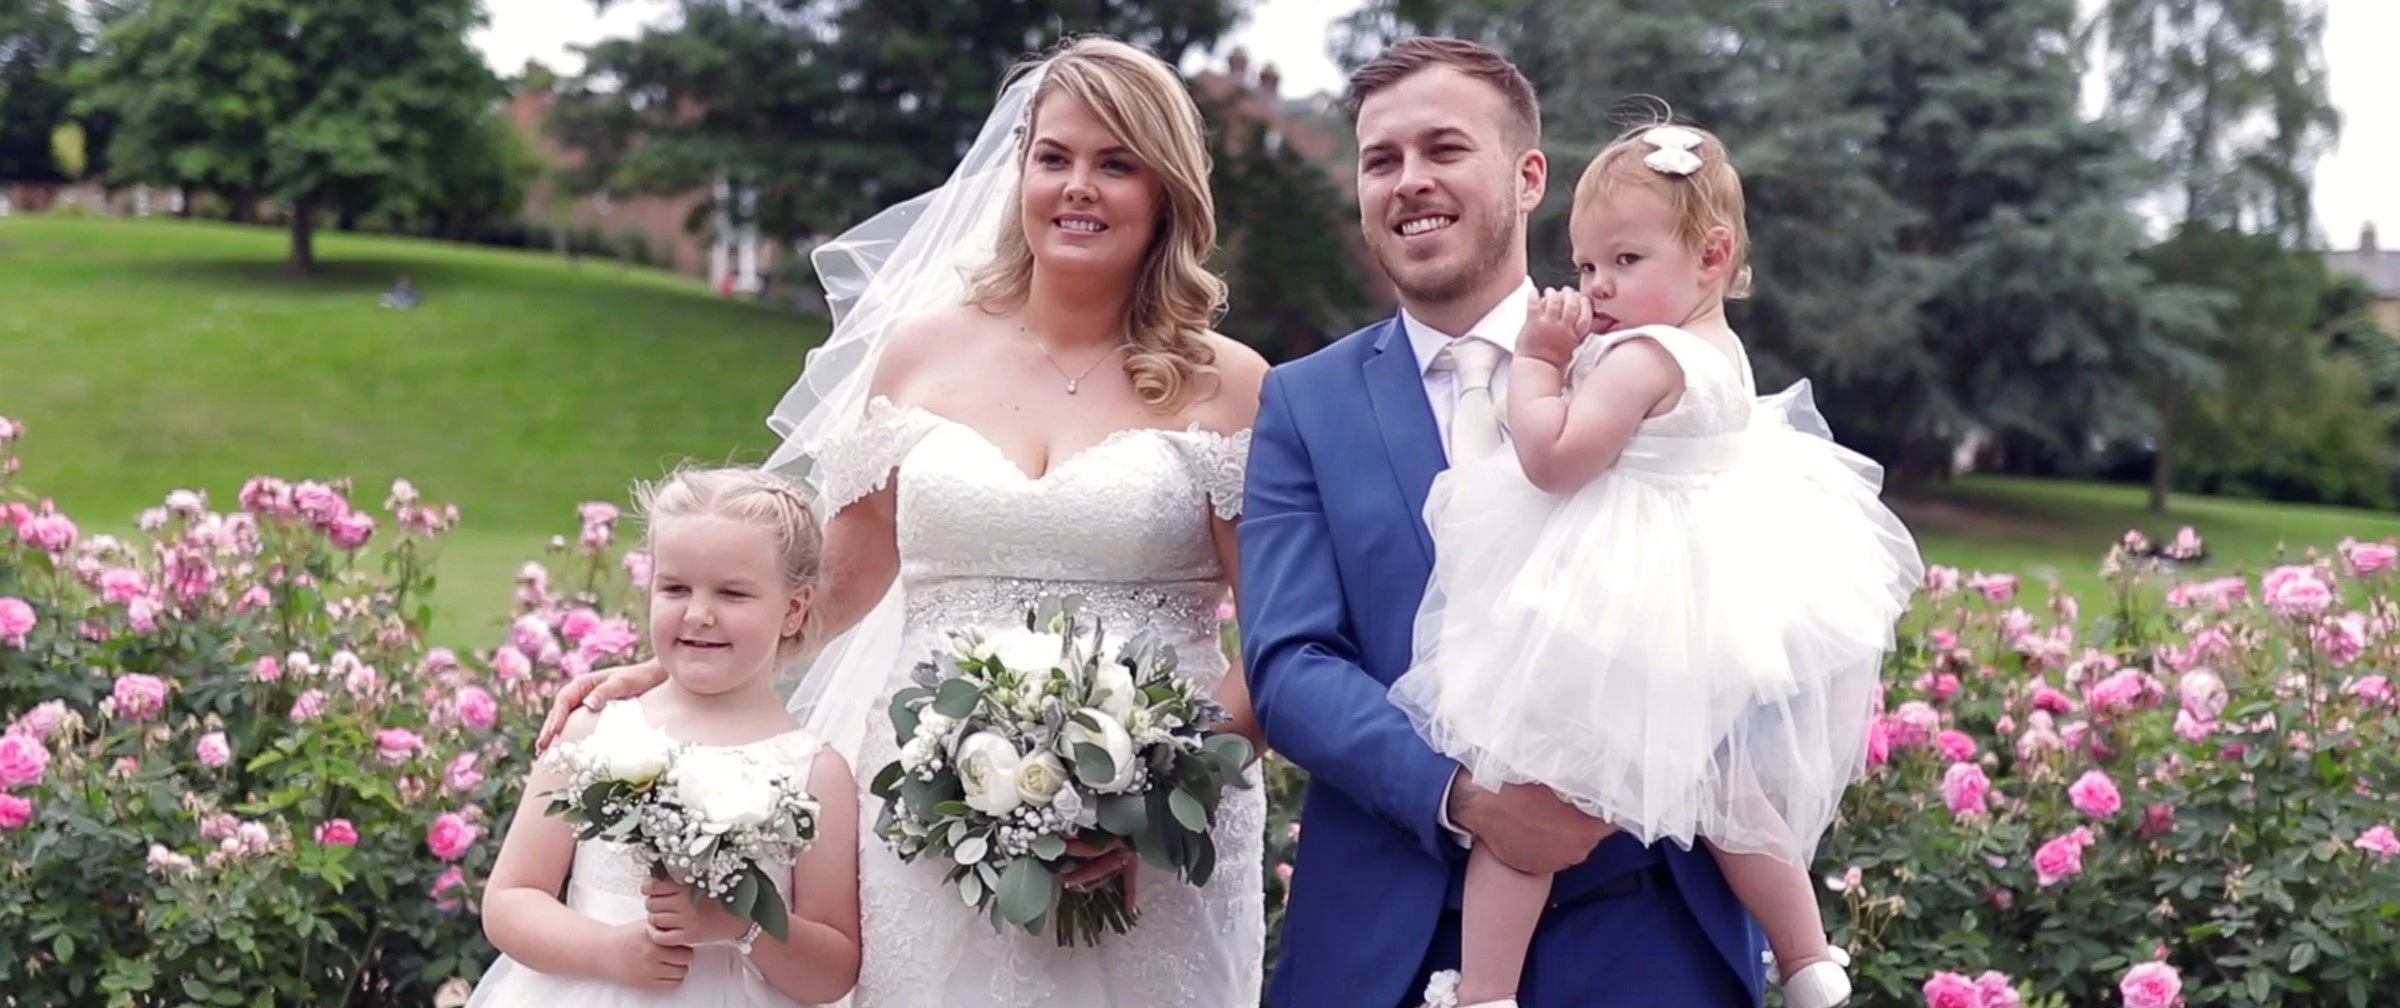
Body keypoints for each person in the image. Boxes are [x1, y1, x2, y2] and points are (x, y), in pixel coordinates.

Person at [536, 36, 1272, 1008]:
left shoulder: (1232, 385)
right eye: (1054, 158)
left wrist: (1150, 799)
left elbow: (1276, 641)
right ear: (1019, 173)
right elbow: (833, 586)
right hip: (929, 808)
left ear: (1167, 187)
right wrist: (672, 670)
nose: (1078, 187)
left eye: (1116, 163)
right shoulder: (920, 356)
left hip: (1159, 845)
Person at [1243, 37, 1775, 1008]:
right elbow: (1288, 665)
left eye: (1444, 148)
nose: (1410, 180)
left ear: (1529, 177)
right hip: (1390, 945)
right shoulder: (1303, 405)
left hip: (1655, 931)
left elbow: (1754, 595)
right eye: (1380, 159)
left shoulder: (1666, 367)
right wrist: (1469, 800)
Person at [1387, 120, 1923, 1008]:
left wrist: (1539, 363)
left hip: (1617, 605)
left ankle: (1484, 992)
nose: (1597, 285)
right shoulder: (1720, 352)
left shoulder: (1642, 357)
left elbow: (1554, 459)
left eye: (1625, 261)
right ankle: (1808, 959)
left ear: (1711, 256)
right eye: (1586, 265)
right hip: (1699, 612)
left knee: (1527, 796)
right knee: (1730, 791)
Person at [471, 466, 863, 1008]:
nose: (698, 614)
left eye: (732, 593)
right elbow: (511, 898)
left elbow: (834, 971)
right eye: (675, 588)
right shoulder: (595, 729)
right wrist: (608, 951)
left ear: (793, 609)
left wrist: (744, 923)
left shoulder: (816, 772)